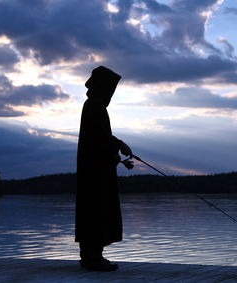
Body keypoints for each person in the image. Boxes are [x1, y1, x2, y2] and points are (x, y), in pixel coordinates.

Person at [75, 66, 133, 271]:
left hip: (94, 171)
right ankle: (93, 259)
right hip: (95, 175)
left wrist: (116, 153)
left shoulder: (94, 106)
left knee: (94, 210)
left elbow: (99, 140)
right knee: (96, 210)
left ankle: (91, 256)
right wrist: (119, 144)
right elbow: (99, 139)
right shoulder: (94, 107)